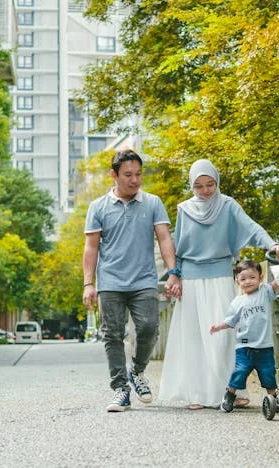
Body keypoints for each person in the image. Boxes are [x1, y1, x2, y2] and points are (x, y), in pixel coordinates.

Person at [158, 159, 279, 409]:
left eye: (210, 184)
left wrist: (272, 245)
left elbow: (250, 227)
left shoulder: (228, 205)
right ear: (192, 186)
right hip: (192, 278)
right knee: (195, 337)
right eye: (199, 186)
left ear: (217, 182)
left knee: (226, 337)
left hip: (220, 274)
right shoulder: (184, 208)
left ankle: (233, 391)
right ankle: (197, 394)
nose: (205, 190)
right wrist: (175, 275)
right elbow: (178, 247)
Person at [82, 148, 182, 412]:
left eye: (138, 174)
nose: (135, 180)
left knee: (149, 327)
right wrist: (88, 284)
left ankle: (137, 371)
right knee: (112, 335)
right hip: (111, 282)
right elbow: (91, 247)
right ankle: (120, 389)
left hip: (143, 280)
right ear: (113, 175)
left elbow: (164, 238)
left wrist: (173, 272)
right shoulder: (98, 207)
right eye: (128, 175)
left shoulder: (152, 203)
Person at [209, 260, 279, 412]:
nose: (248, 281)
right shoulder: (237, 302)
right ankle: (229, 395)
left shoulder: (265, 292)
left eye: (252, 277)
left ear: (260, 278)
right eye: (243, 279)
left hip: (264, 347)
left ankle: (273, 399)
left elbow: (277, 282)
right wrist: (219, 326)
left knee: (268, 374)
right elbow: (231, 321)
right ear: (237, 281)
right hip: (244, 346)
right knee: (239, 372)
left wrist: (278, 262)